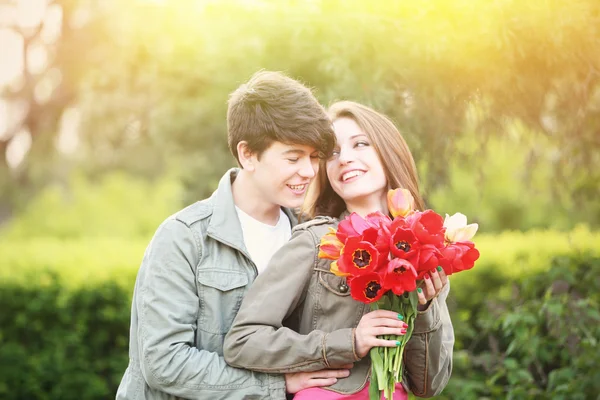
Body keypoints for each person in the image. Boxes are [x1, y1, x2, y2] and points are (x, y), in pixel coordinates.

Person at [116, 71, 352, 400]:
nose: (309, 171)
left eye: (314, 157)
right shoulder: (184, 238)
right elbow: (164, 362)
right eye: (293, 157)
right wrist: (275, 385)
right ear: (248, 155)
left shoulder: (313, 237)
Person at [224, 101, 454, 399]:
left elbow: (429, 385)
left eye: (360, 144)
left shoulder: (425, 250)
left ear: (389, 151)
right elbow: (243, 340)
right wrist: (349, 342)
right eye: (332, 152)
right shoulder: (316, 241)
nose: (344, 158)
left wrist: (423, 309)